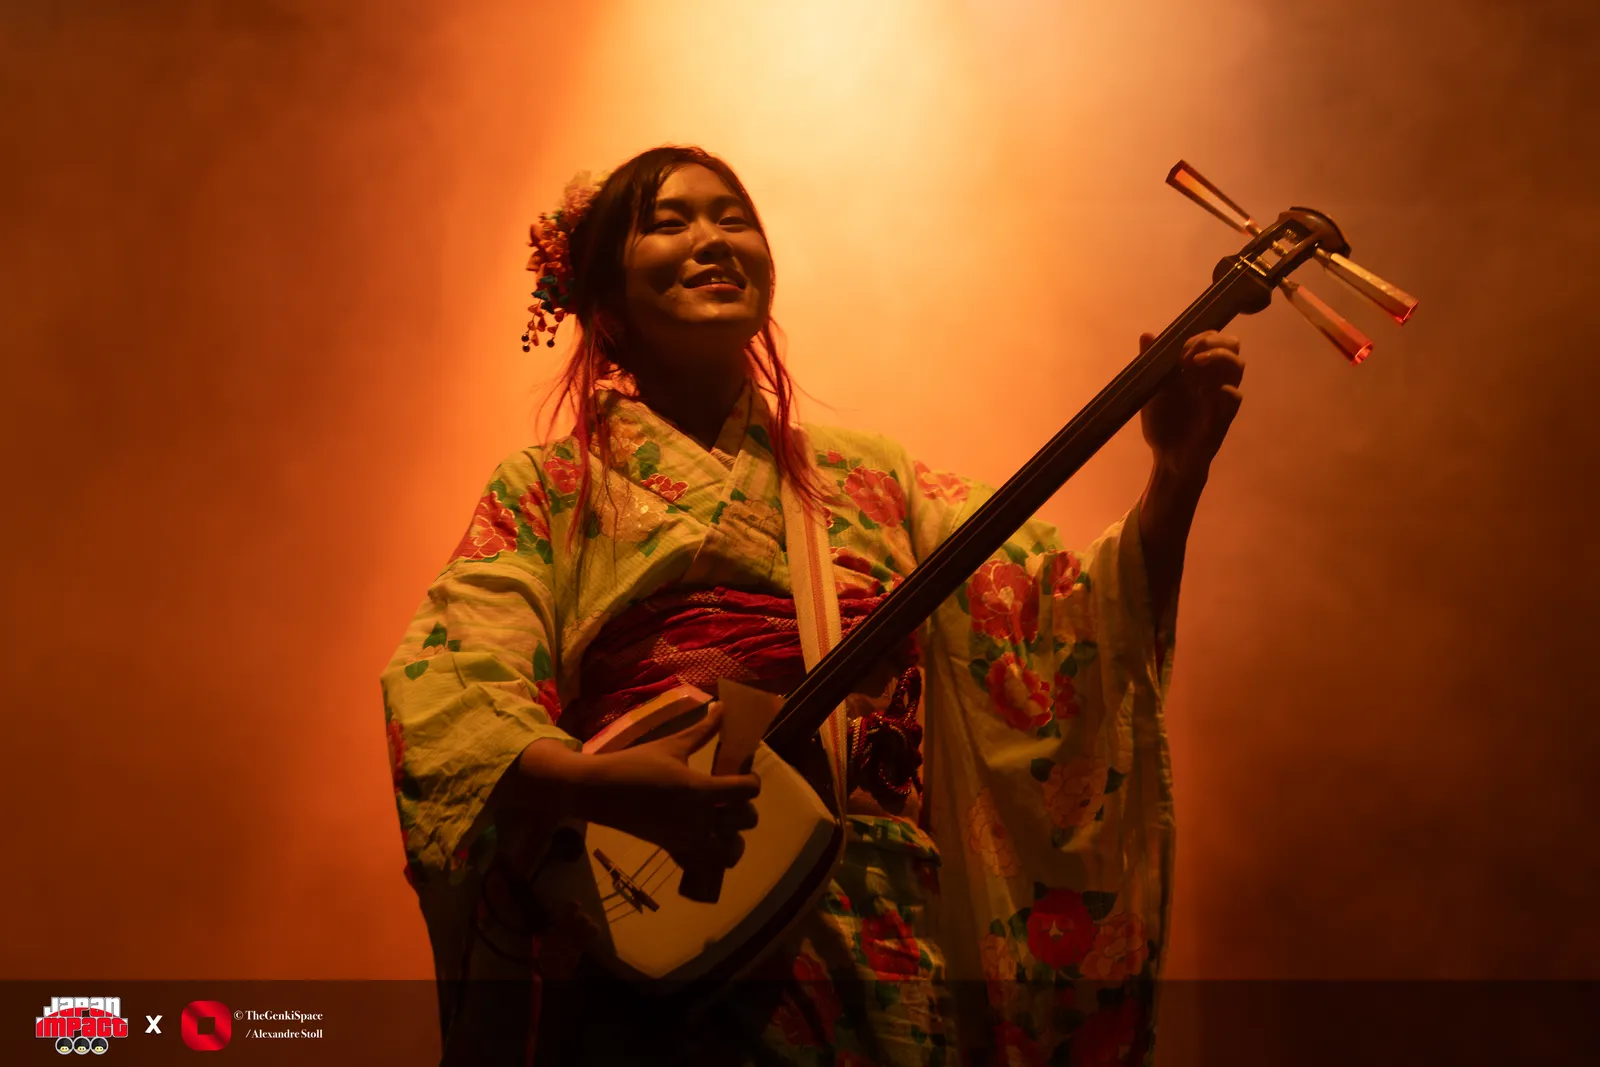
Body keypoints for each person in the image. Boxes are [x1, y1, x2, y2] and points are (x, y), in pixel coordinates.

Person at [380, 144, 1245, 1066]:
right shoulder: (550, 487)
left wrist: (1175, 475)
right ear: (605, 302)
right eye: (670, 222)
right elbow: (453, 677)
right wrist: (598, 785)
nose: (714, 239)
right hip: (659, 918)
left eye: (733, 218)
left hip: (878, 924)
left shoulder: (874, 474)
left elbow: (1063, 618)